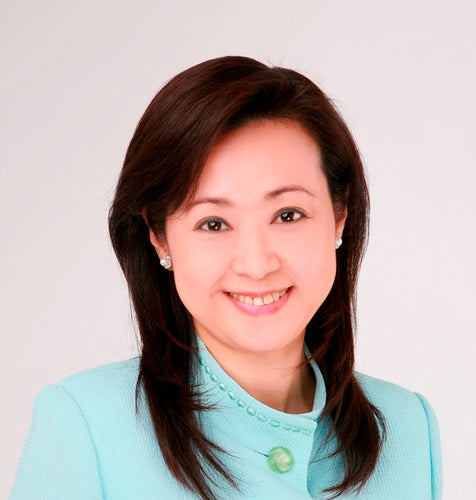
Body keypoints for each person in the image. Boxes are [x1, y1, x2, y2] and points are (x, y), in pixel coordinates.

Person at [11, 56, 442, 499]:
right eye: (213, 223)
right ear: (160, 238)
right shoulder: (86, 424)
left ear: (339, 216)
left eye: (288, 214)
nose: (256, 264)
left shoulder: (407, 427)